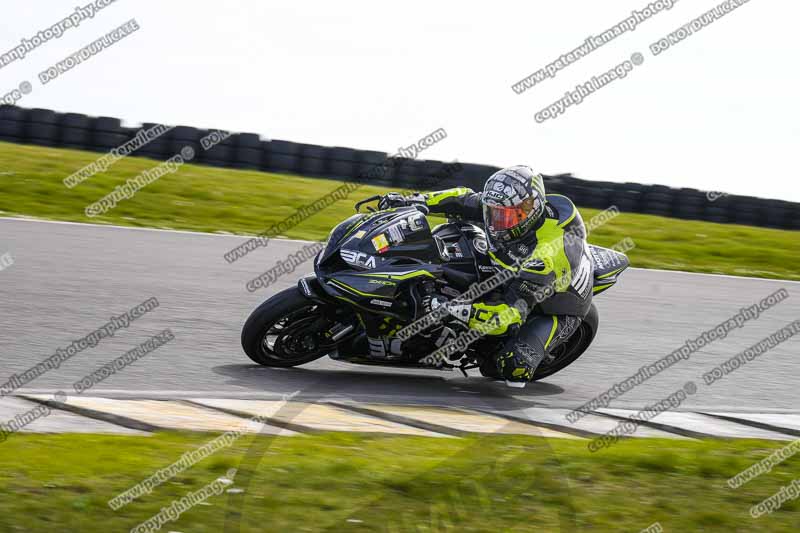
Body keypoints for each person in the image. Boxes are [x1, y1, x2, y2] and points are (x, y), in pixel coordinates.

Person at [379, 165, 594, 385]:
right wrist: (415, 201)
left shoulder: (542, 259)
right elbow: (464, 198)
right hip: (511, 267)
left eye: (505, 218)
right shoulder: (511, 205)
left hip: (559, 302)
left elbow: (507, 317)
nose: (495, 222)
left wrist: (453, 310)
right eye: (493, 213)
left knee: (512, 366)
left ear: (529, 214)